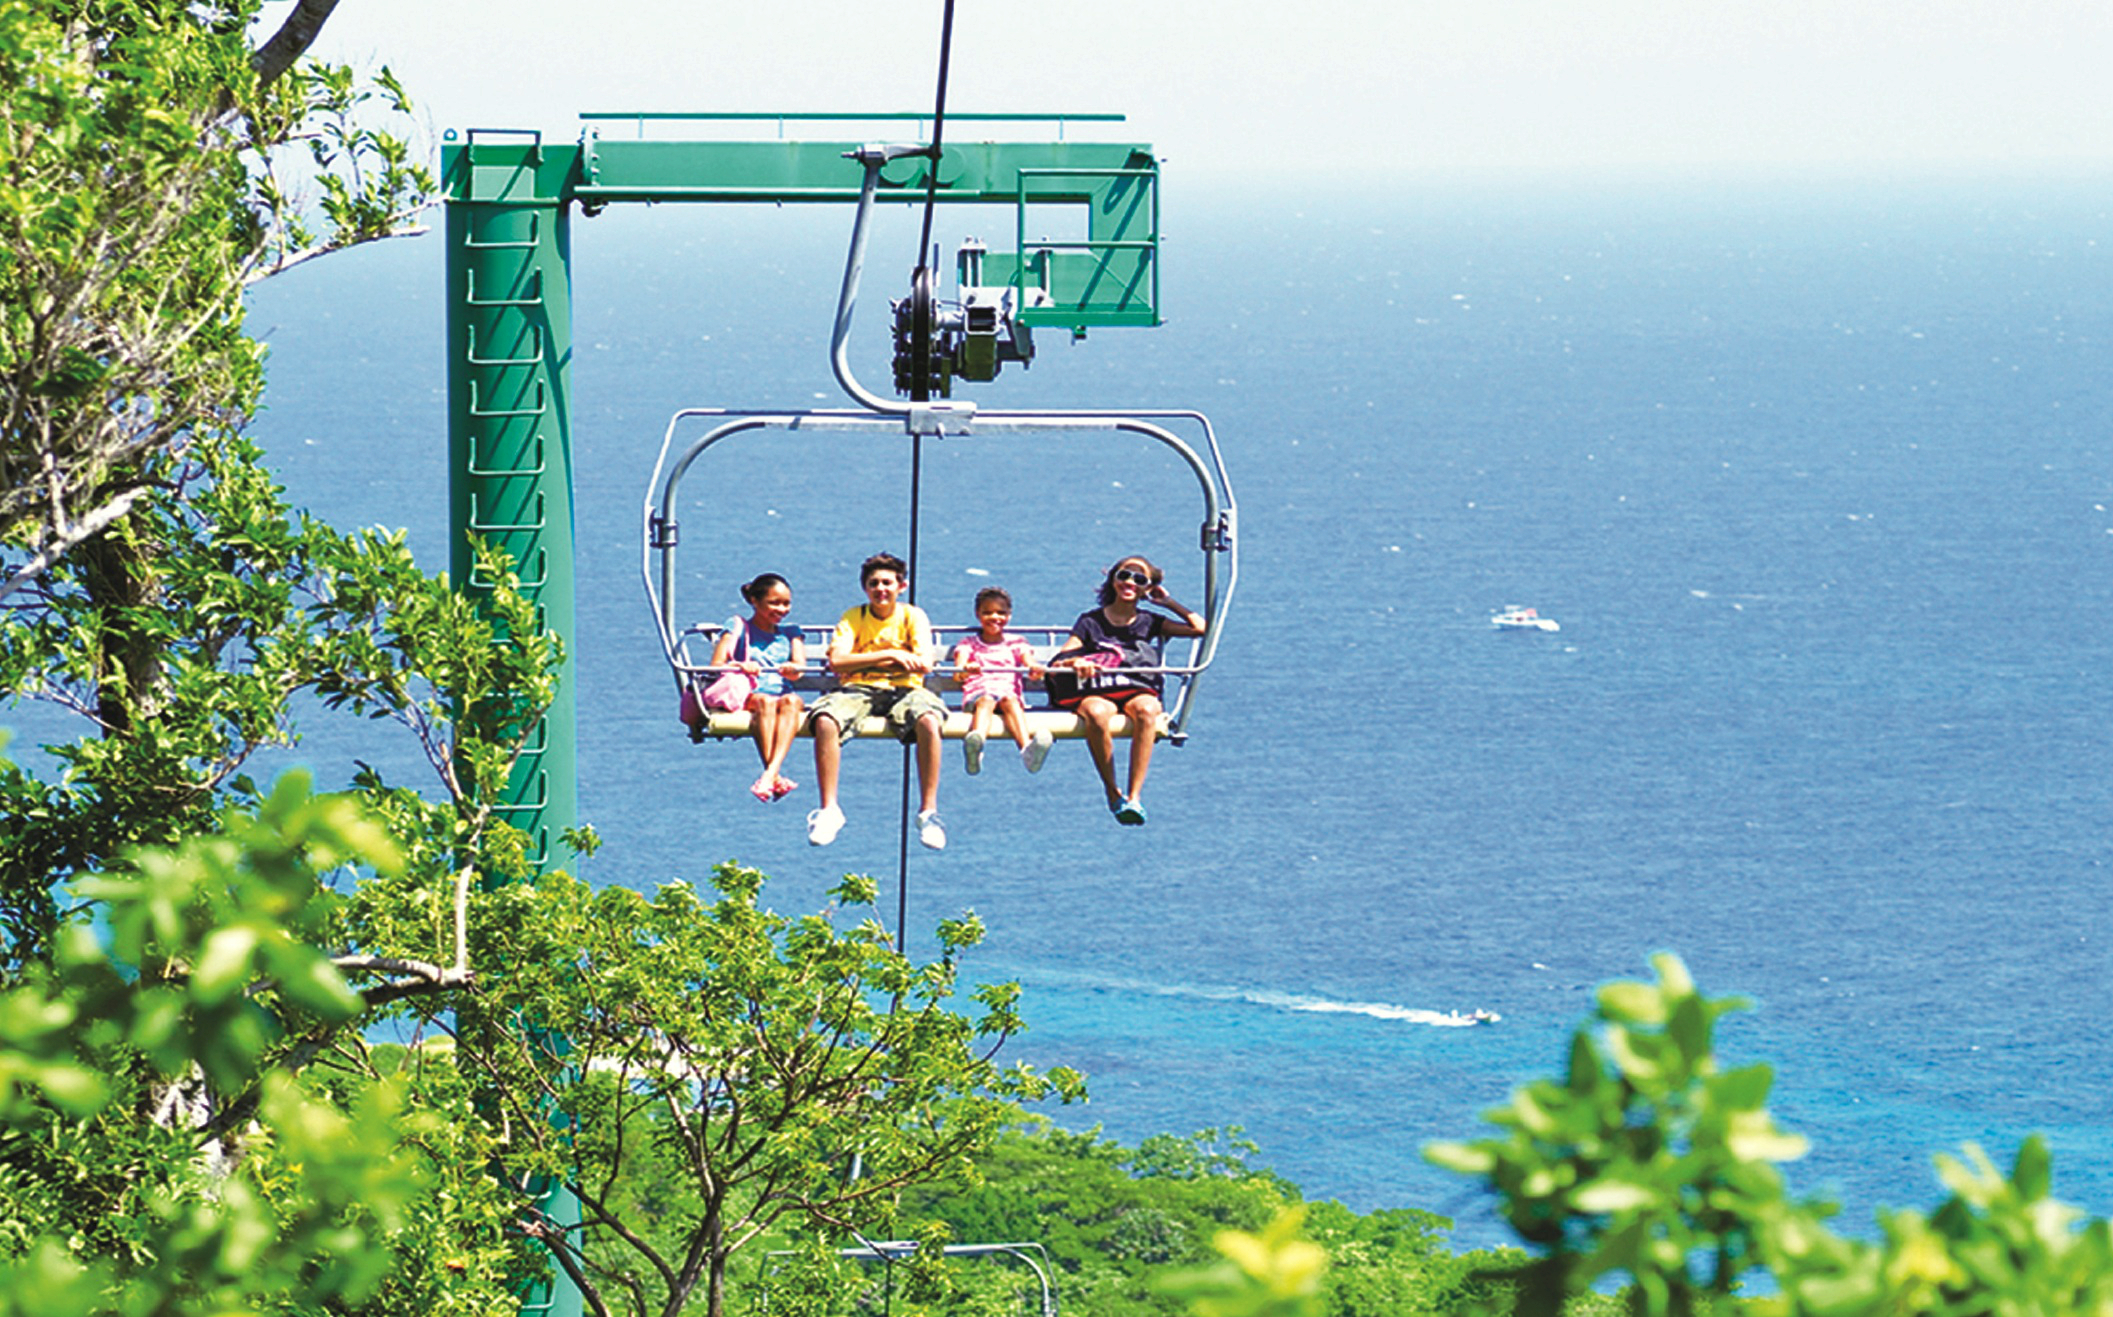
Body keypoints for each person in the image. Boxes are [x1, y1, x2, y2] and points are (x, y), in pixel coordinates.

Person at [805, 553, 949, 849]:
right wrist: (892, 656)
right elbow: (838, 661)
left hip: (905, 689)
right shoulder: (854, 617)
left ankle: (929, 812)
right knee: (825, 719)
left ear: (901, 586)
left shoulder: (912, 616)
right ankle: (829, 809)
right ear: (865, 588)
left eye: (887, 583)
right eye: (874, 584)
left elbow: (923, 663)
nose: (881, 589)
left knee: (929, 721)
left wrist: (863, 661)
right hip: (860, 688)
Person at [1049, 554, 1205, 825]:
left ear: (1147, 587)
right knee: (1097, 713)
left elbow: (1199, 628)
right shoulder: (1090, 622)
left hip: (1136, 688)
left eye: (1139, 579)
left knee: (1146, 710)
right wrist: (1078, 661)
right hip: (1099, 688)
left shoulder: (1150, 622)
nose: (1130, 582)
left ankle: (1134, 796)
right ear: (1113, 579)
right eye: (1124, 575)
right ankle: (1112, 790)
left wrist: (1167, 601)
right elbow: (1061, 659)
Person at [709, 573, 807, 803]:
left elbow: (800, 668)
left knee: (792, 702)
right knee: (765, 702)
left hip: (782, 693)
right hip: (751, 694)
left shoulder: (791, 633)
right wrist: (741, 666)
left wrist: (792, 669)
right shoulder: (736, 627)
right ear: (755, 601)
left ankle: (769, 776)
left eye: (786, 603)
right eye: (774, 603)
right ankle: (773, 774)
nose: (781, 609)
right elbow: (716, 665)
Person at [950, 586, 1051, 775]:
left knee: (1011, 701)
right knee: (987, 700)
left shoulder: (1017, 642)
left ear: (1009, 615)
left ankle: (1026, 749)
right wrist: (966, 670)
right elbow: (958, 671)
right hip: (979, 695)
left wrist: (1034, 668)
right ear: (978, 615)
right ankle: (977, 742)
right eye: (987, 613)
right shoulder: (968, 643)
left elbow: (1028, 660)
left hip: (1006, 693)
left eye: (1000, 613)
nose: (994, 618)